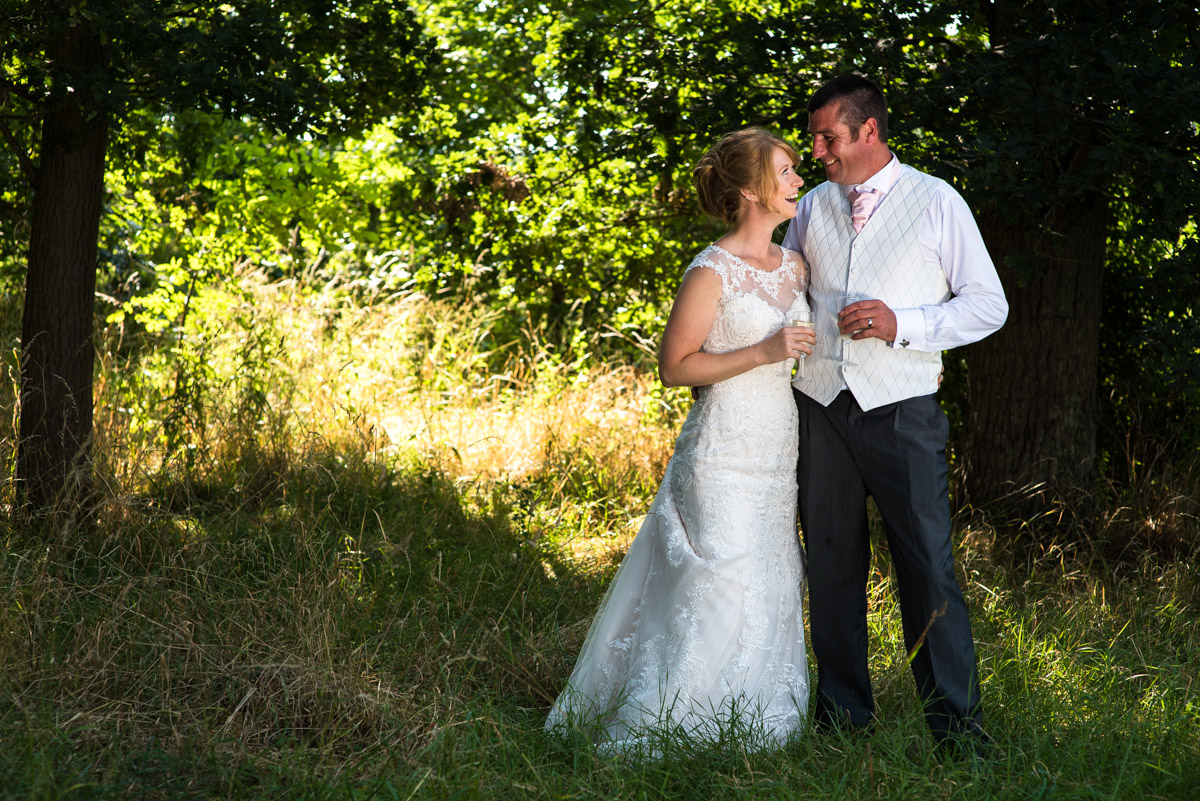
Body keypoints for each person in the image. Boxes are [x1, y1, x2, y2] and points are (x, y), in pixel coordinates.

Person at [545, 128, 816, 754]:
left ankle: (756, 722)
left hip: (778, 446)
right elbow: (676, 367)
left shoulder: (795, 265)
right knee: (719, 575)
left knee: (772, 574)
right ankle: (672, 721)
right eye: (786, 170)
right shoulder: (710, 269)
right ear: (751, 190)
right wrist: (764, 350)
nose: (799, 179)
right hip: (721, 450)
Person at [782, 74, 1008, 757]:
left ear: (868, 131)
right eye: (815, 136)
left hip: (903, 410)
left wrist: (900, 322)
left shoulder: (937, 202)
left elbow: (986, 304)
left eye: (828, 136)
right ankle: (843, 720)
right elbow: (788, 295)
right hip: (820, 405)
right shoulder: (812, 205)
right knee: (830, 565)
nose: (816, 149)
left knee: (927, 568)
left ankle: (958, 732)